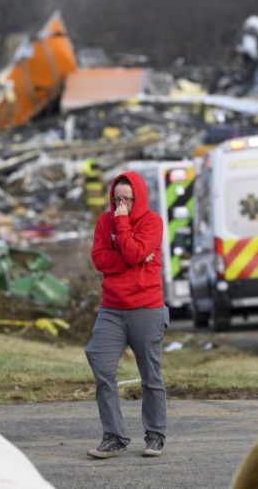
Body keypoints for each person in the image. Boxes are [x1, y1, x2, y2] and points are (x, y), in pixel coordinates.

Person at [85, 171, 168, 459]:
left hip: (146, 307)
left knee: (150, 376)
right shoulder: (103, 221)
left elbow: (136, 251)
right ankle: (114, 436)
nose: (120, 205)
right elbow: (100, 259)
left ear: (138, 198)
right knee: (100, 363)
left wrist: (123, 231)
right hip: (111, 308)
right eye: (116, 199)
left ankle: (155, 435)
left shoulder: (152, 222)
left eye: (127, 199)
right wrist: (130, 258)